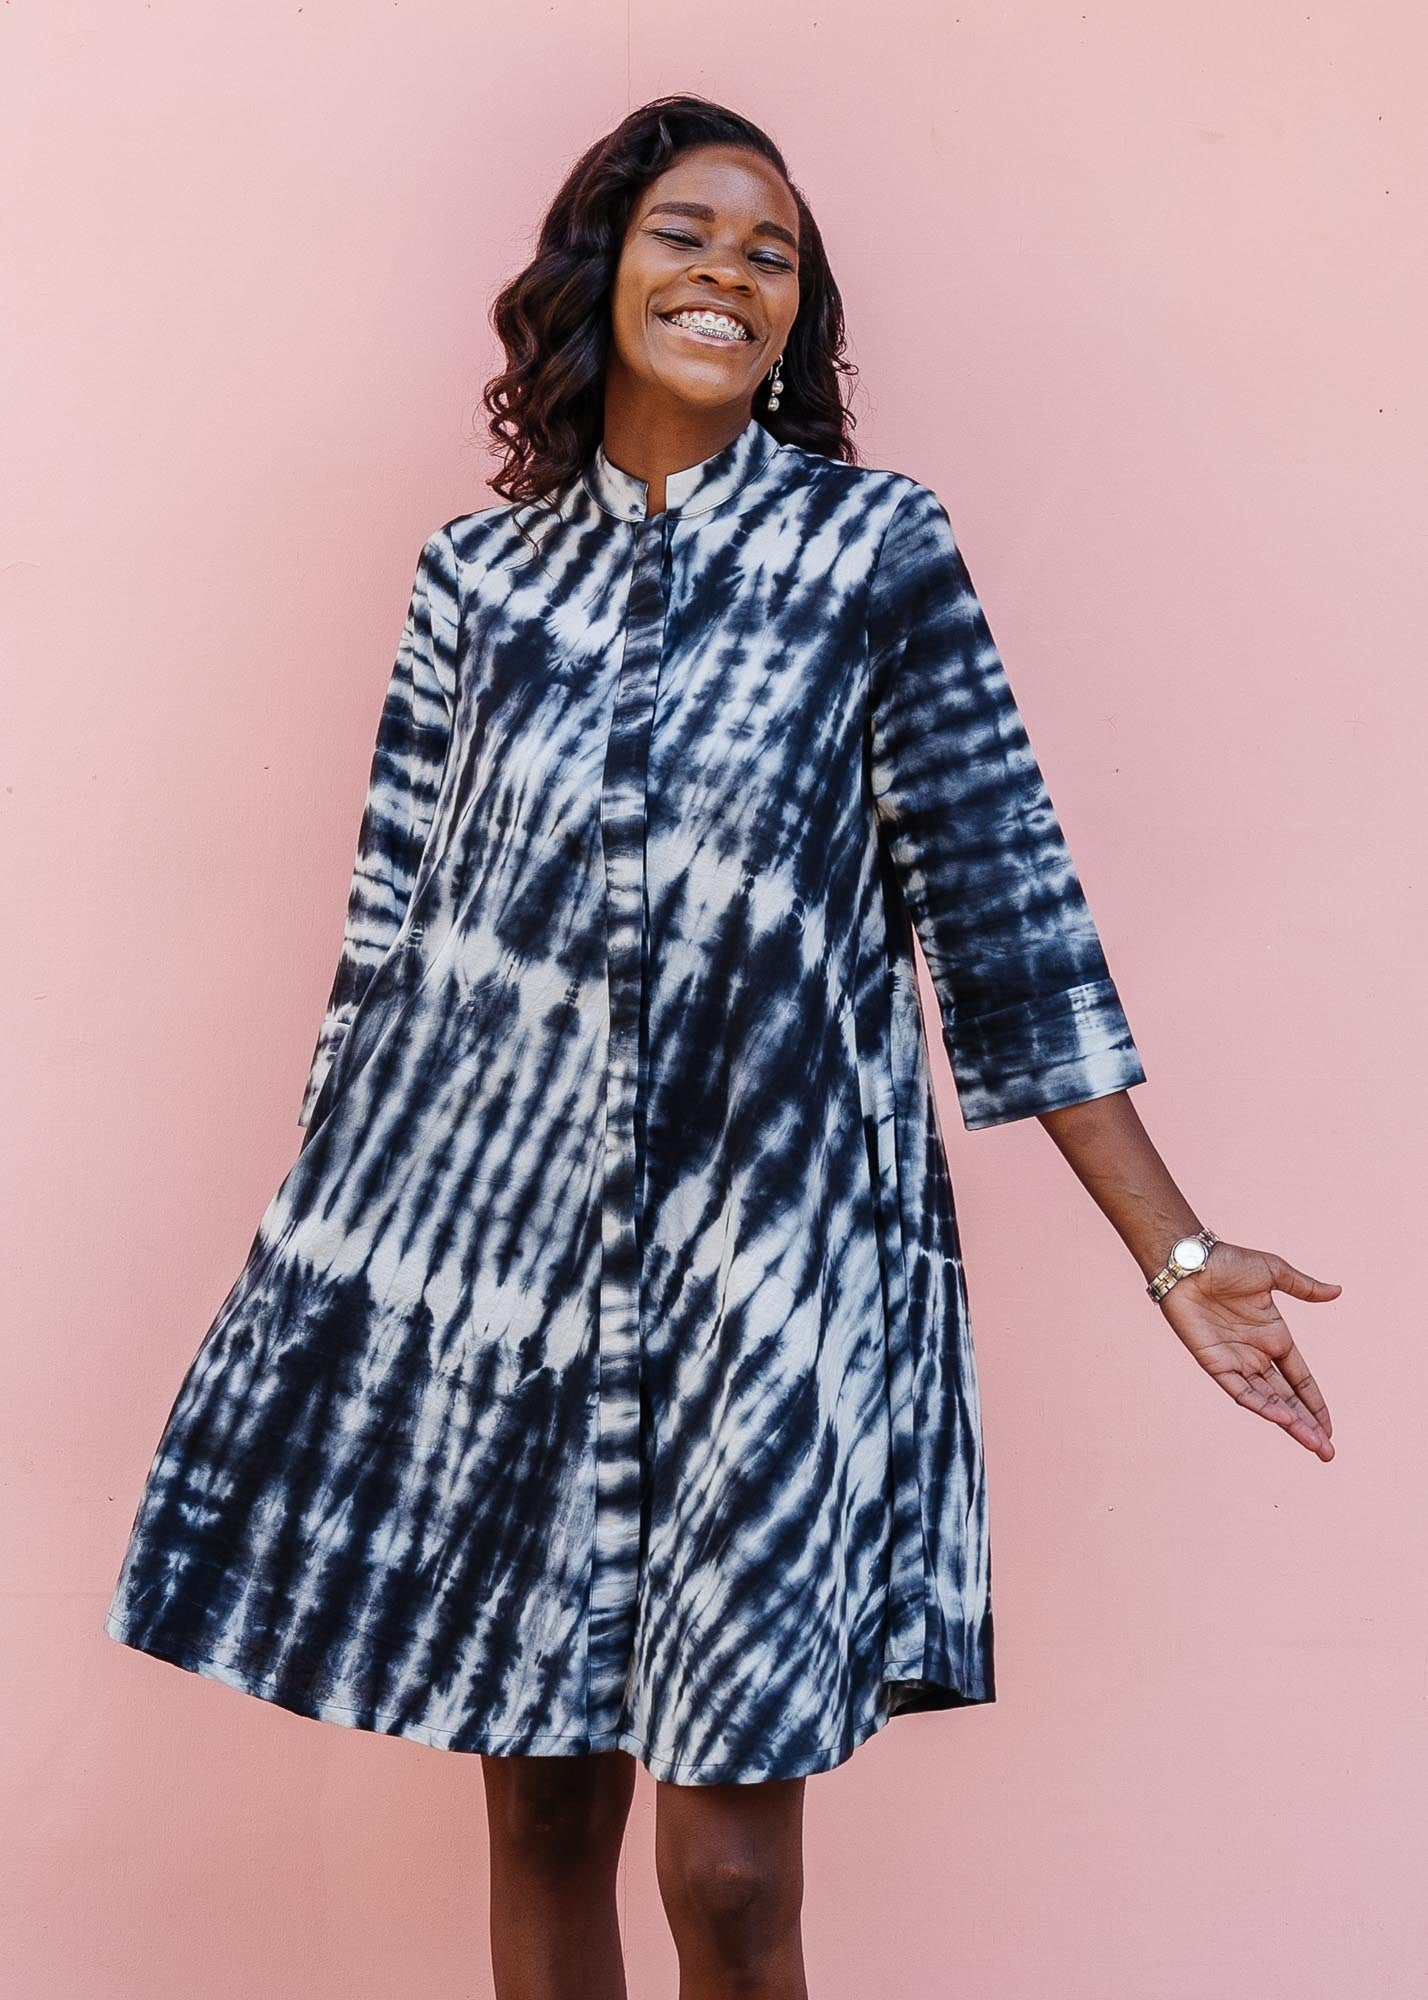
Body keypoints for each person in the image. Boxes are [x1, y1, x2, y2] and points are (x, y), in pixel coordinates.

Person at [103, 94, 1341, 2000]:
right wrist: (322, 1268)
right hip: (497, 1272)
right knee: (536, 1815)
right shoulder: (477, 581)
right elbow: (388, 949)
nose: (729, 275)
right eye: (689, 232)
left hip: (770, 1269)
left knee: (735, 1879)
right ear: (602, 267)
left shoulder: (872, 555)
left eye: (771, 255)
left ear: (794, 318)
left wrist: (1174, 1253)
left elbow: (1001, 910)